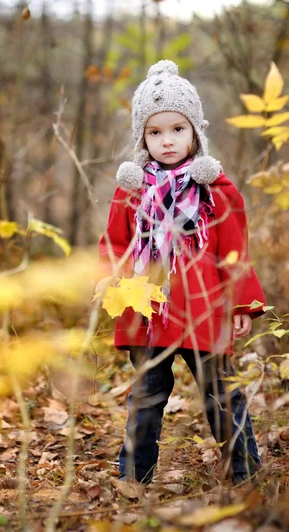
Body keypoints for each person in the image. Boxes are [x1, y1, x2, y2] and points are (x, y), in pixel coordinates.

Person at [96, 60, 266, 486]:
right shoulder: (131, 192)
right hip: (148, 308)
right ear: (142, 138)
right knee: (146, 396)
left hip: (203, 308)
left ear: (195, 132)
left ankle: (245, 473)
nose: (167, 141)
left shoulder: (216, 189)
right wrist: (111, 282)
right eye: (155, 132)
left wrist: (242, 303)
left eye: (177, 129)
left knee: (221, 391)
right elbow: (116, 244)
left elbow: (235, 250)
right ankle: (134, 478)